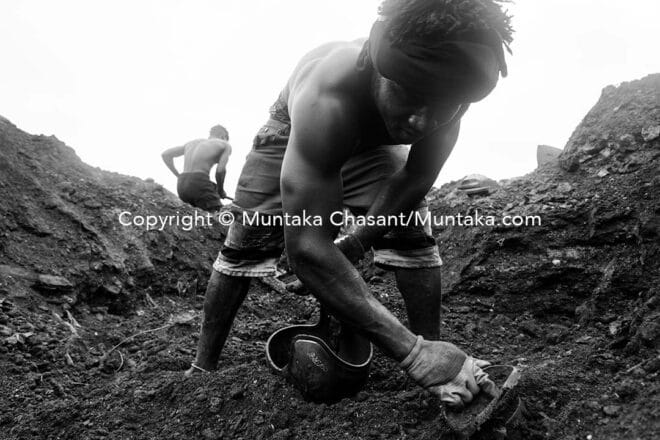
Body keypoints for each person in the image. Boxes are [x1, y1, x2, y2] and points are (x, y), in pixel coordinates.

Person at [187, 0, 513, 409]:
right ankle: (201, 369)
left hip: (375, 143)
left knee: (411, 224)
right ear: (376, 69)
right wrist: (409, 353)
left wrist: (355, 242)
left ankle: (439, 353)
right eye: (410, 96)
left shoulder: (450, 98)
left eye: (443, 108)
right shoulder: (329, 94)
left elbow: (414, 178)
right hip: (293, 134)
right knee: (248, 237)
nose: (421, 122)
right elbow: (305, 247)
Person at [161, 125, 232, 212]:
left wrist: (178, 175)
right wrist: (221, 191)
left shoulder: (191, 143)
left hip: (182, 185)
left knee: (194, 217)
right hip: (199, 182)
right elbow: (220, 171)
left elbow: (165, 155)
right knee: (219, 217)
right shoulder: (225, 144)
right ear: (223, 137)